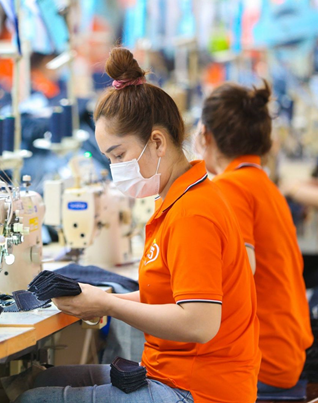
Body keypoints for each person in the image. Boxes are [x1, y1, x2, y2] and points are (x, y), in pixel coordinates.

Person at [16, 47, 260, 403]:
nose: (116, 169)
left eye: (119, 155)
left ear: (157, 142)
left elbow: (199, 323)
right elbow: (168, 294)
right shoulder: (178, 200)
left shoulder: (193, 214)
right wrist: (100, 299)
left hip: (199, 391)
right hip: (175, 374)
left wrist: (109, 305)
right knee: (41, 380)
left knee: (32, 400)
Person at [196, 81, 313, 397]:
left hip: (264, 363)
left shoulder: (231, 187)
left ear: (205, 136)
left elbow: (241, 271)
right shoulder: (264, 185)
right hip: (287, 352)